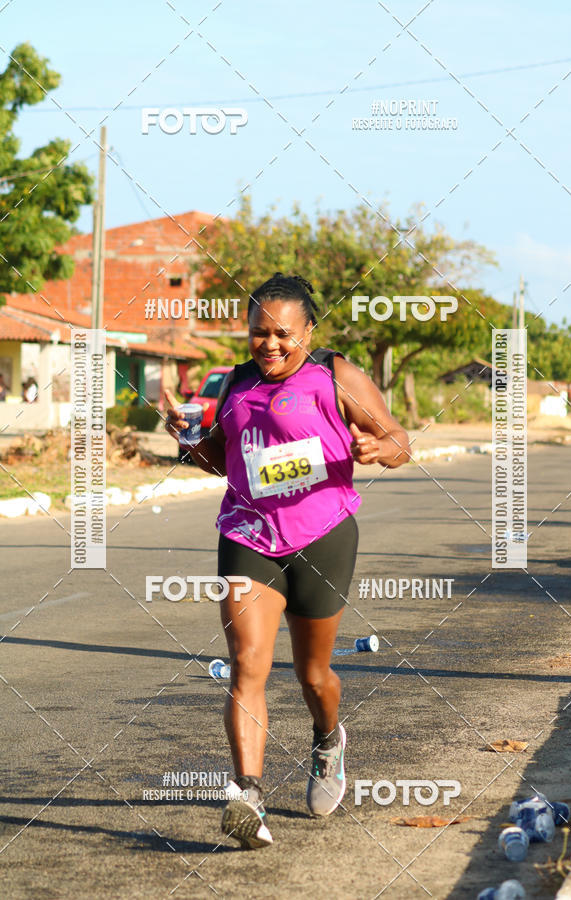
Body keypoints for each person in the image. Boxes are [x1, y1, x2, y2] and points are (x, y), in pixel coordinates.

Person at [165, 273, 410, 849]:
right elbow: (224, 462)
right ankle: (247, 796)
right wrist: (187, 437)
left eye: (283, 334)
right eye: (259, 332)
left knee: (312, 675)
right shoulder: (237, 383)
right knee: (247, 663)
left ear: (309, 332)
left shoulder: (334, 374)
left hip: (323, 536)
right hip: (248, 535)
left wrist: (378, 447)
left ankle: (328, 740)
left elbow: (400, 440)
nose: (270, 344)